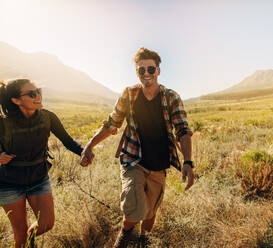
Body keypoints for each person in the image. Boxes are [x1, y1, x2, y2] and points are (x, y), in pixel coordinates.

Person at [81, 47, 194, 247]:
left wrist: (188, 162)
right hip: (133, 159)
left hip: (159, 163)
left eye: (151, 69)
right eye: (141, 70)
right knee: (134, 207)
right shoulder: (130, 94)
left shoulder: (171, 97)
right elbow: (112, 124)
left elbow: (183, 130)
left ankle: (144, 240)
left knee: (151, 211)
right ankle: (124, 236)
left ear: (158, 70)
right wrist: (90, 144)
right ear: (137, 72)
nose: (146, 74)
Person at [0, 79, 84, 248]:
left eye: (38, 90)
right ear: (16, 101)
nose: (38, 95)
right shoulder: (3, 122)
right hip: (9, 183)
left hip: (38, 178)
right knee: (20, 236)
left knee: (46, 224)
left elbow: (68, 141)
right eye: (32, 94)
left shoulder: (48, 117)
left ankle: (31, 239)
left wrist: (84, 152)